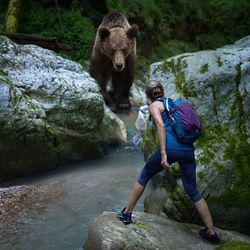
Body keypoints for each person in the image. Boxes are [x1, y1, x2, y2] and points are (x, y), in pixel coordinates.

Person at [117, 81, 221, 244]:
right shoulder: (178, 103)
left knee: (144, 175)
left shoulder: (155, 106)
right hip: (188, 150)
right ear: (162, 91)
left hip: (171, 149)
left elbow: (160, 125)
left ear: (148, 96)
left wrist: (164, 154)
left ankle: (127, 213)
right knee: (193, 191)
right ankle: (211, 232)